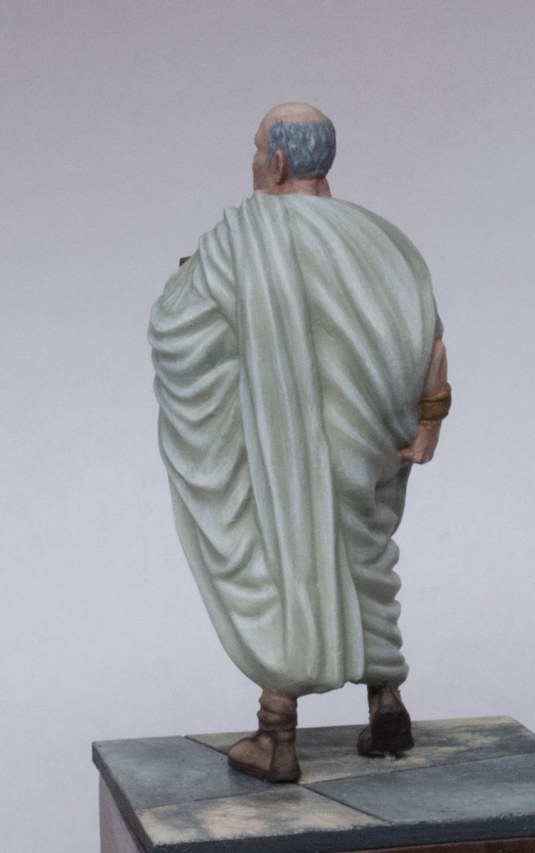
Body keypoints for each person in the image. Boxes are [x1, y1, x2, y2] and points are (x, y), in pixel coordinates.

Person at [149, 103, 450, 783]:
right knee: (365, 560)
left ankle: (277, 733)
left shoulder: (240, 240)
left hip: (285, 447)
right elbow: (432, 342)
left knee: (287, 556)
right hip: (370, 442)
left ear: (278, 161)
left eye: (257, 148)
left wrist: (193, 278)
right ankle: (386, 701)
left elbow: (177, 330)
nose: (254, 159)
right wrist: (429, 424)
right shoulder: (385, 241)